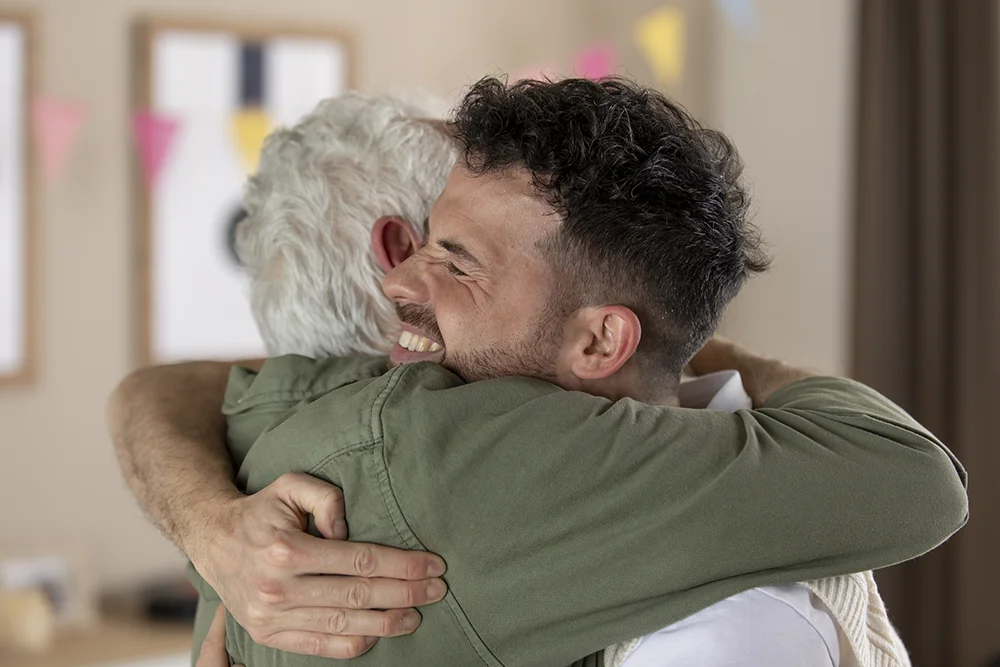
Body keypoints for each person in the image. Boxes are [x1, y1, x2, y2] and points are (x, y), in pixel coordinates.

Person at [110, 79, 965, 667]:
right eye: (425, 240)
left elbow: (170, 384)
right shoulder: (424, 425)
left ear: (599, 344)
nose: (402, 283)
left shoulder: (352, 430)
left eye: (457, 258)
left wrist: (203, 519)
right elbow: (915, 477)